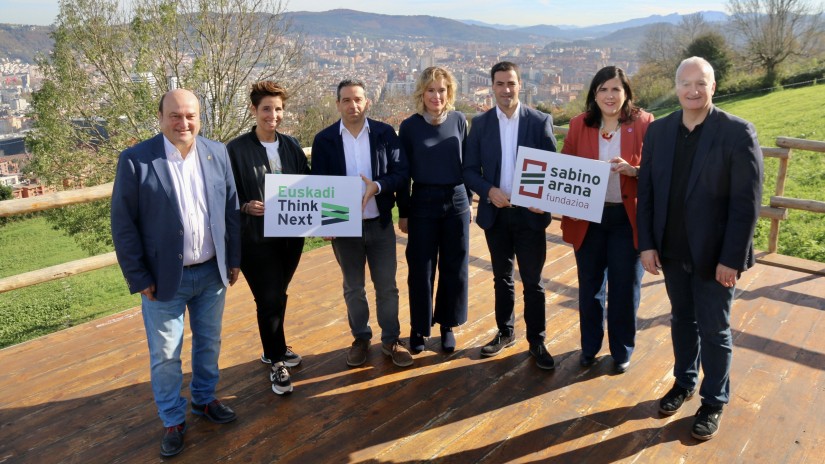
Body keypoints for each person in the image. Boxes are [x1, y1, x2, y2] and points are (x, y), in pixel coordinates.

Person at [637, 56, 763, 441]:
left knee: (715, 329)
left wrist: (732, 259)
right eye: (685, 83)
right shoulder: (658, 132)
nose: (693, 90)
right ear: (675, 87)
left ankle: (713, 400)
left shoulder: (737, 132)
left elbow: (747, 203)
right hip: (672, 251)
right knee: (681, 321)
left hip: (715, 257)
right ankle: (684, 382)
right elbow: (647, 193)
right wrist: (647, 245)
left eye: (701, 83)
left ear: (714, 87)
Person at [111, 89, 241, 457]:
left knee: (209, 343)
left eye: (190, 116)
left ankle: (203, 400)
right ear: (161, 117)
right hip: (163, 279)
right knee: (166, 354)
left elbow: (230, 209)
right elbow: (123, 225)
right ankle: (172, 419)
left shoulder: (218, 153)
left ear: (200, 117)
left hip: (213, 273)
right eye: (175, 115)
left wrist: (233, 258)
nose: (183, 123)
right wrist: (138, 277)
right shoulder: (137, 159)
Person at [310, 79, 413, 368]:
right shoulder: (324, 139)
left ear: (367, 102)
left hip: (379, 223)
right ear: (337, 104)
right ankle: (361, 338)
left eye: (358, 99)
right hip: (343, 227)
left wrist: (378, 186)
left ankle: (391, 340)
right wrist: (324, 223)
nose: (353, 105)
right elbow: (319, 184)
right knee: (353, 288)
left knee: (387, 287)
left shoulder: (384, 134)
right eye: (346, 100)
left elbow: (402, 173)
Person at [463, 61, 558, 370]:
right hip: (496, 213)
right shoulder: (480, 123)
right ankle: (505, 332)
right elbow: (468, 171)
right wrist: (488, 191)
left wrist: (541, 197)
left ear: (520, 85)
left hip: (530, 216)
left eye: (511, 83)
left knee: (533, 281)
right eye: (500, 84)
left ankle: (537, 340)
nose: (506, 89)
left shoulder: (540, 121)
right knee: (502, 278)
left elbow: (551, 168)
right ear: (492, 86)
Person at [560, 66, 653, 373]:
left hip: (627, 220)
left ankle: (622, 349)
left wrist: (634, 171)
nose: (610, 96)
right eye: (603, 89)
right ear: (594, 94)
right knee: (589, 287)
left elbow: (658, 172)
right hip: (589, 218)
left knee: (625, 287)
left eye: (616, 89)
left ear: (626, 93)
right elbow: (565, 169)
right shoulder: (578, 125)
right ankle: (590, 346)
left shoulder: (643, 123)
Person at [227, 81, 309, 396]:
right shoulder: (235, 149)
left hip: (290, 237)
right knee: (269, 296)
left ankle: (273, 347)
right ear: (253, 110)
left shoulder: (291, 145)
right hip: (255, 239)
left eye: (277, 109)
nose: (272, 115)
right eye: (266, 109)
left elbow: (308, 184)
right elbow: (226, 194)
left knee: (278, 294)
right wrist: (246, 205)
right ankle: (276, 362)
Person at [397, 67, 470, 354]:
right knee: (421, 269)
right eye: (431, 90)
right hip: (423, 201)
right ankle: (419, 327)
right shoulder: (410, 126)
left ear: (449, 92)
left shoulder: (459, 120)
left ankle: (447, 325)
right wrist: (403, 211)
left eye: (441, 90)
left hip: (457, 200)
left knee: (454, 266)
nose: (436, 95)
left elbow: (469, 164)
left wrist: (470, 201)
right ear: (421, 93)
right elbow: (403, 174)